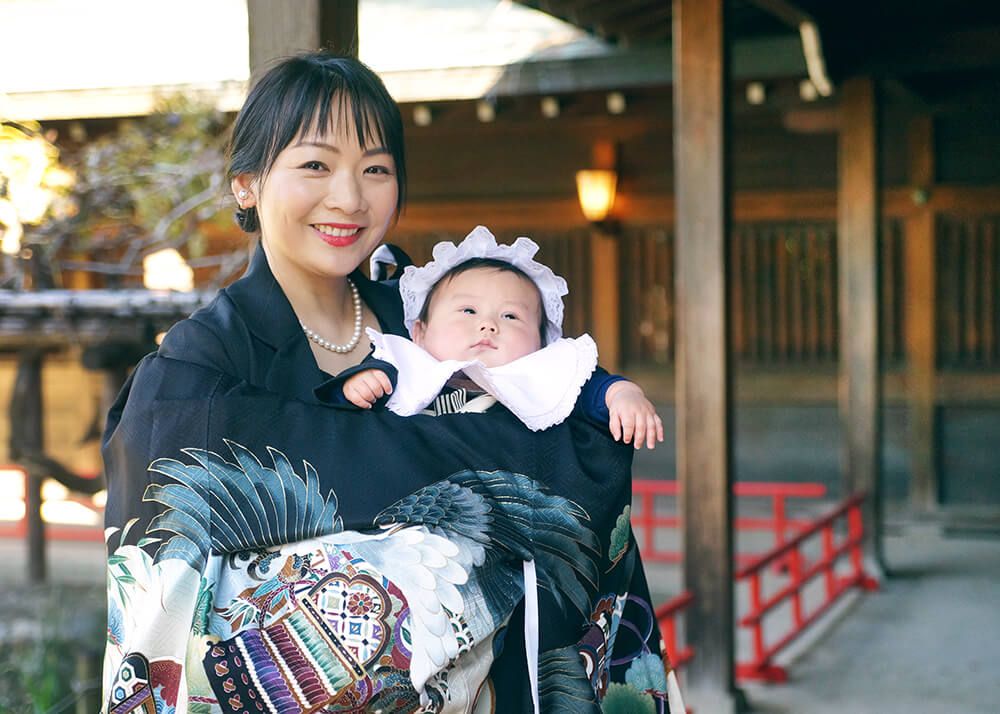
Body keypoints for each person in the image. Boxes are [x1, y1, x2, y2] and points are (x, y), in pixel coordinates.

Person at [101, 52, 684, 714]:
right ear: (247, 184)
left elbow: (575, 447)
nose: (350, 198)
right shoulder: (200, 363)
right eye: (315, 164)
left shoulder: (427, 316)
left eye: (375, 168)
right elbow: (164, 527)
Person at [337, 225, 664, 449]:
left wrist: (624, 396)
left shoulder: (542, 378)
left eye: (510, 316)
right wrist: (356, 386)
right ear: (420, 332)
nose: (488, 325)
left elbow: (596, 389)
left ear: (541, 342)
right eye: (468, 311)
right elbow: (348, 423)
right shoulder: (404, 367)